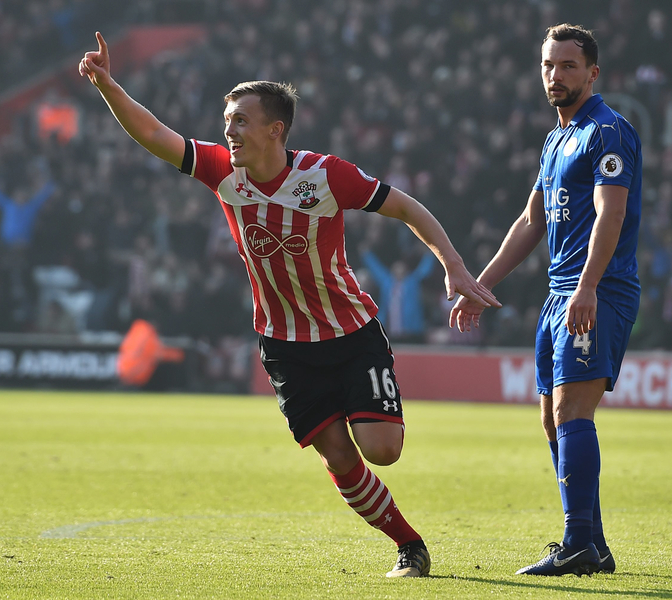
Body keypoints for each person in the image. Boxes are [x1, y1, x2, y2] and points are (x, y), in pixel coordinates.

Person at [78, 31, 499, 578]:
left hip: (350, 332)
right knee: (339, 459)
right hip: (285, 345)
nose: (228, 131)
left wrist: (454, 265)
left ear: (275, 130)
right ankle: (409, 546)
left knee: (383, 449)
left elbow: (407, 208)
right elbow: (155, 134)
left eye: (240, 121)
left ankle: (374, 421)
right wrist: (109, 87)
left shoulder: (326, 176)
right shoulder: (222, 173)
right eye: (227, 121)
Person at [451, 23, 642, 576]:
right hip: (561, 293)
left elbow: (613, 213)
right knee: (551, 420)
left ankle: (577, 541)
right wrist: (479, 283)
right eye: (548, 66)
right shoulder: (556, 138)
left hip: (597, 289)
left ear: (593, 73)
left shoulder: (608, 131)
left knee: (571, 411)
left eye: (567, 66)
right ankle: (593, 543)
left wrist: (586, 286)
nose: (555, 76)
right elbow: (533, 218)